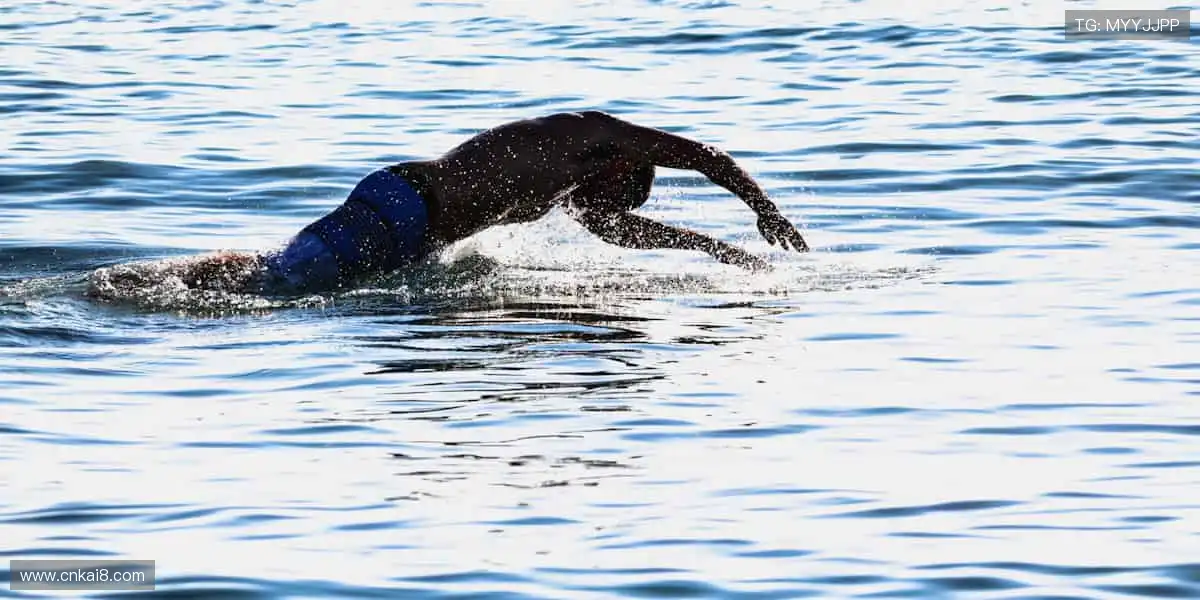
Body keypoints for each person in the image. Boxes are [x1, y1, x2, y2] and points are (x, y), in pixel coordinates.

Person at [180, 110, 809, 295]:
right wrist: (764, 209)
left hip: (407, 213)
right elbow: (704, 155)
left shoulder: (579, 191)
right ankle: (139, 287)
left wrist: (717, 249)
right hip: (408, 204)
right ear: (624, 166)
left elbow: (625, 233)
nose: (595, 208)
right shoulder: (590, 133)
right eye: (608, 194)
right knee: (280, 287)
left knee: (279, 276)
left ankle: (176, 278)